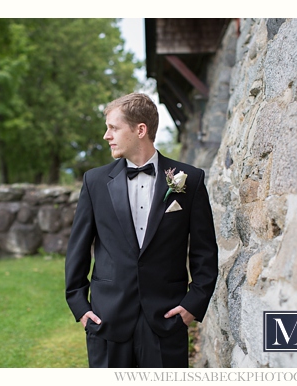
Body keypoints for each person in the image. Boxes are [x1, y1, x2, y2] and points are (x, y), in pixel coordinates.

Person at [65, 92, 218, 368]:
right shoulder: (95, 182)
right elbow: (78, 249)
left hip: (166, 319)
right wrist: (80, 307)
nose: (106, 136)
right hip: (107, 320)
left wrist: (193, 305)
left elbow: (205, 252)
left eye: (113, 128)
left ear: (140, 130)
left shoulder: (189, 180)